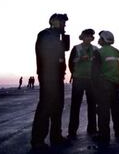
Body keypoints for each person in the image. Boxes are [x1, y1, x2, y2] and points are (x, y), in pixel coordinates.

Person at [31, 13, 70, 150]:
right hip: (48, 76)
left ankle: (56, 136)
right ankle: (38, 140)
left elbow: (63, 51)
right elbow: (47, 54)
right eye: (62, 22)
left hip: (58, 76)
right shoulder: (46, 34)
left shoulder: (57, 36)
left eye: (65, 22)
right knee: (46, 106)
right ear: (53, 21)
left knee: (58, 106)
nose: (64, 24)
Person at [92, 30, 119, 145]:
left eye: (100, 38)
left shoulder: (98, 52)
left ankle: (104, 135)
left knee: (103, 111)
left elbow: (94, 72)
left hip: (103, 85)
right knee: (116, 109)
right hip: (114, 85)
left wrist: (94, 88)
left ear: (104, 39)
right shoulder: (117, 52)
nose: (98, 39)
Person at [68, 29, 98, 139]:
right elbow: (71, 62)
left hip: (91, 80)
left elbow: (98, 64)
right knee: (75, 106)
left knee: (92, 106)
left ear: (92, 38)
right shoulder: (76, 48)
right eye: (87, 36)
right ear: (82, 37)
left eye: (90, 36)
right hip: (79, 79)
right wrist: (80, 60)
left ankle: (92, 129)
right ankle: (72, 131)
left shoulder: (95, 49)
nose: (88, 38)